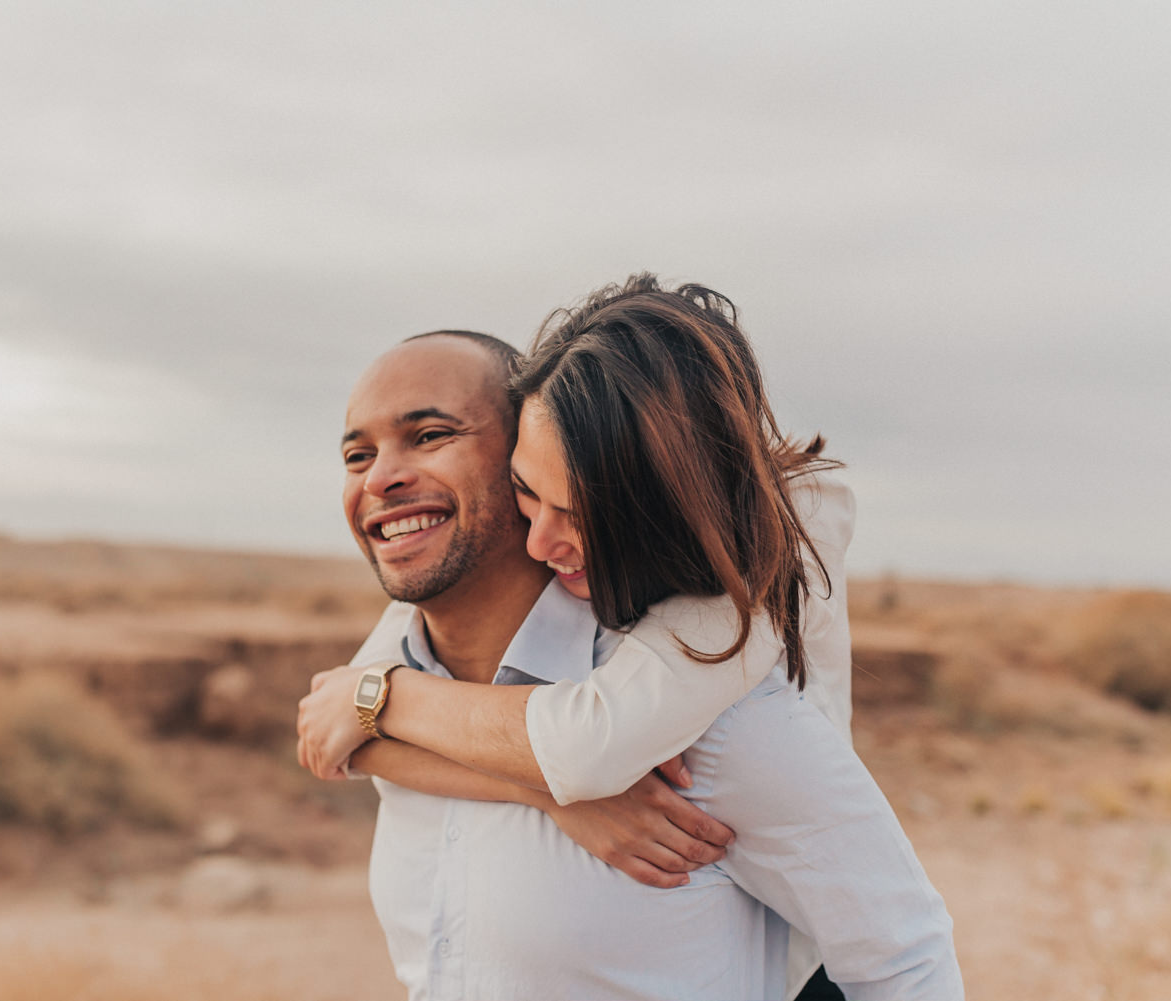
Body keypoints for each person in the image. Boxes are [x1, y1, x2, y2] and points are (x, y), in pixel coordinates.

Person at [298, 277, 961, 1000]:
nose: (383, 477)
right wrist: (548, 795)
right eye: (356, 455)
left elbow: (905, 956)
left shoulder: (706, 701)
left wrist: (384, 702)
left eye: (430, 435)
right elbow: (340, 732)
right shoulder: (392, 674)